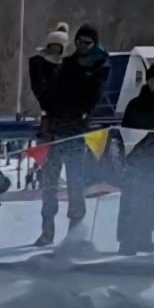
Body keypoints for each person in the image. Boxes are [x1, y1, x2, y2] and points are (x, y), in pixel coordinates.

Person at [36, 23, 109, 246]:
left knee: (75, 184)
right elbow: (48, 91)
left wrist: (77, 107)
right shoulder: (66, 63)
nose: (82, 45)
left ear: (94, 44)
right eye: (78, 41)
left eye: (87, 42)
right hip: (55, 130)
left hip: (76, 132)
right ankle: (47, 229)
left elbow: (94, 95)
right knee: (49, 183)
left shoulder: (100, 65)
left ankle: (75, 232)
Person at [117, 62, 154, 255]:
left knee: (153, 202)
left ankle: (144, 237)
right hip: (138, 160)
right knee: (132, 201)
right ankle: (126, 241)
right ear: (148, 81)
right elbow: (125, 133)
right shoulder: (135, 104)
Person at [29, 23, 70, 118]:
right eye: (53, 45)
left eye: (57, 46)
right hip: (46, 106)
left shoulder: (65, 63)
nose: (55, 48)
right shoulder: (39, 62)